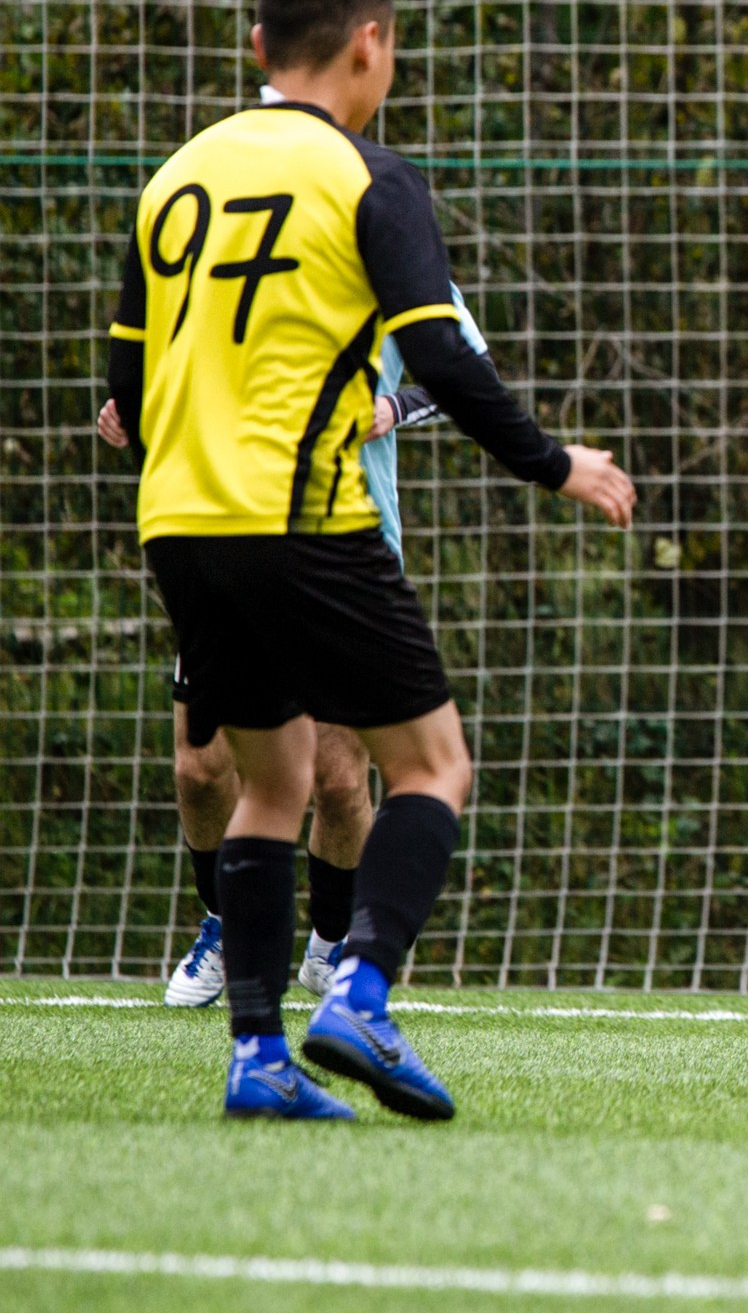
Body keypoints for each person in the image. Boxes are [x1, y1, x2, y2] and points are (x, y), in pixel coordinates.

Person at [106, 0, 636, 1120]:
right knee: (432, 765)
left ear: (257, 51)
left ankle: (258, 1057)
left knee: (272, 781)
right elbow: (441, 352)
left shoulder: (173, 180)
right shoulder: (369, 178)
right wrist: (558, 465)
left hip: (180, 523)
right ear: (372, 46)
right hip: (306, 517)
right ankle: (362, 991)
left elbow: (125, 390)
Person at [101, 273, 490, 1009]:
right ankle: (223, 924)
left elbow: (471, 371)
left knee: (340, 781)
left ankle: (328, 946)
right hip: (226, 538)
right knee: (200, 771)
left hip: (347, 551)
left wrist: (394, 404)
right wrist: (138, 405)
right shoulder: (229, 243)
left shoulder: (389, 247)